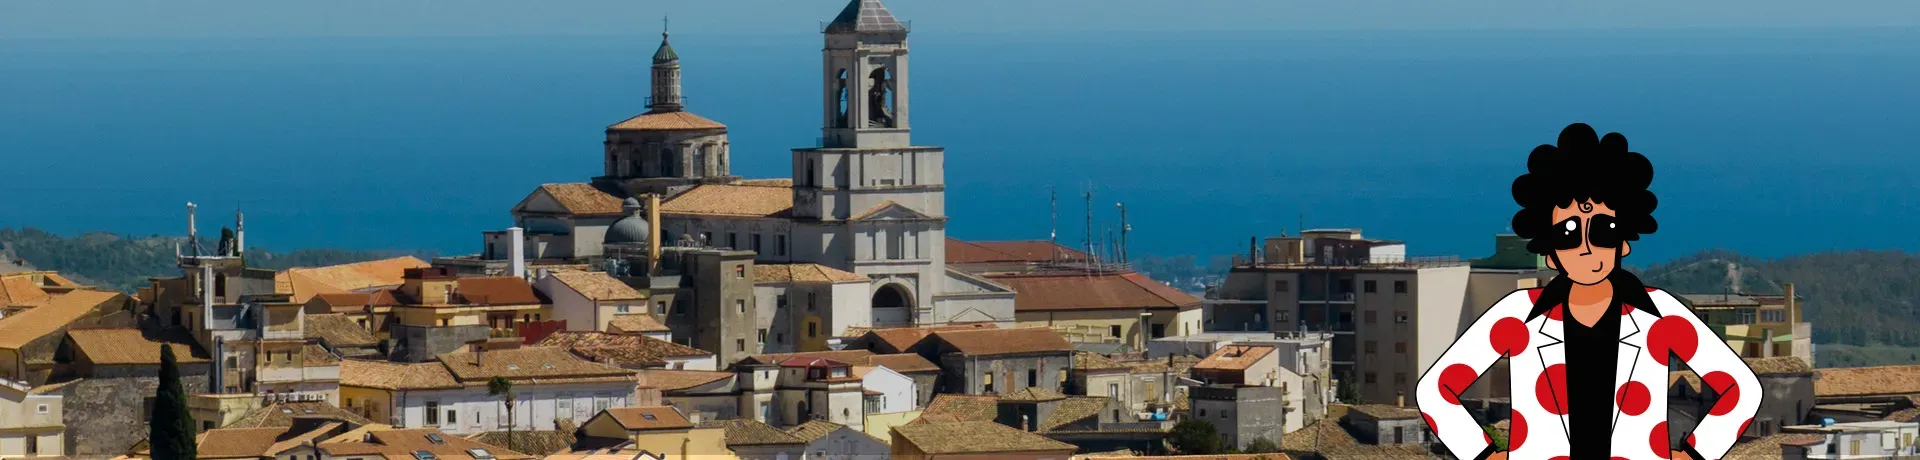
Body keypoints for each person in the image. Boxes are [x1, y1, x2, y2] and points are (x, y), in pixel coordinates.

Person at [1416, 123, 1760, 460]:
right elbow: (1436, 390)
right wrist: (1484, 455)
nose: (1586, 246)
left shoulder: (1660, 314)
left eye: (1603, 230)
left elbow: (1741, 389)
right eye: (1568, 234)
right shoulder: (1517, 315)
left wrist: (1694, 454)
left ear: (1623, 242)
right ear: (1550, 252)